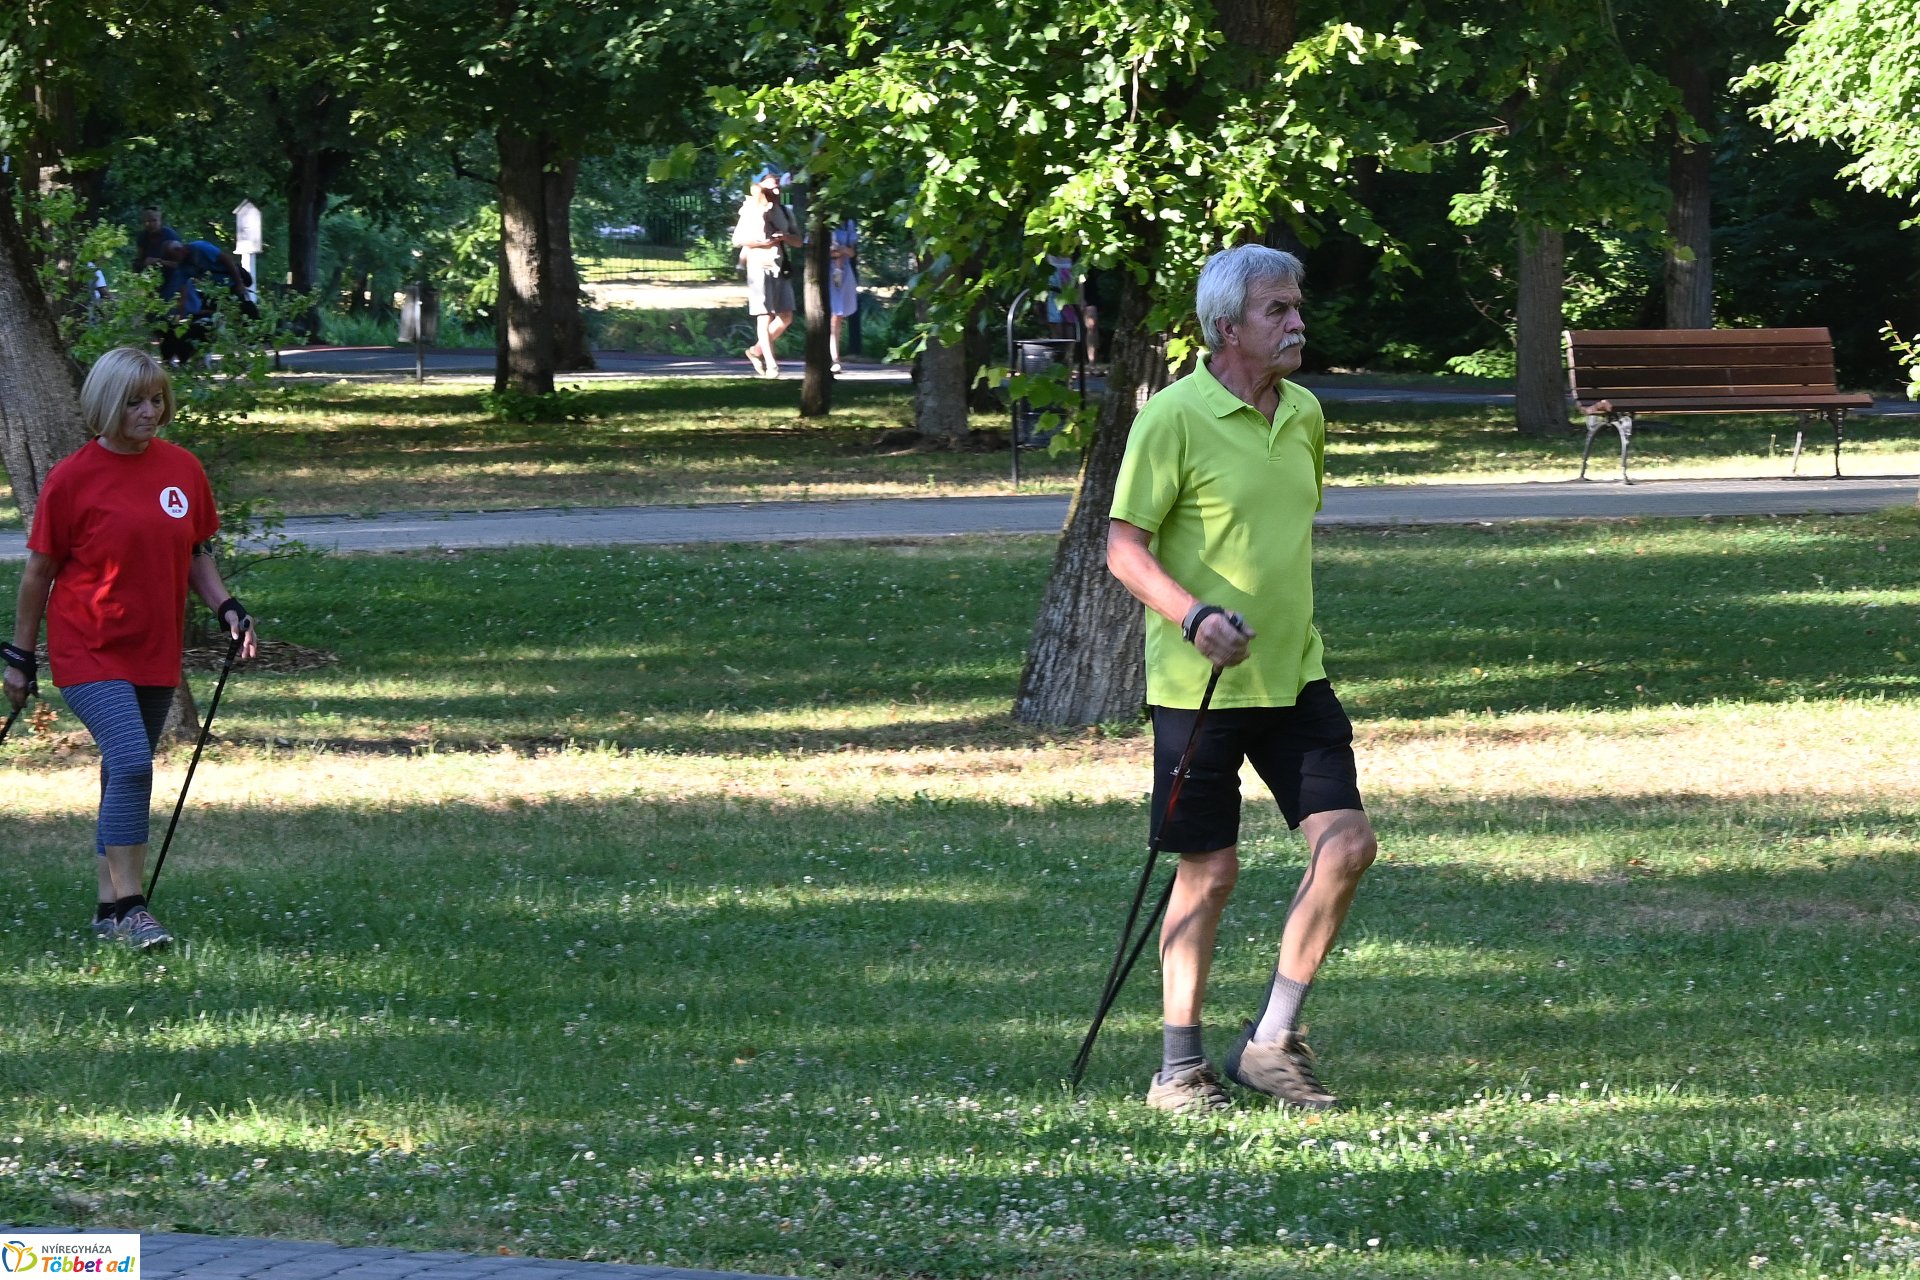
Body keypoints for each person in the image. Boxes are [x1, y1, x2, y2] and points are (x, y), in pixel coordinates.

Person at [1106, 244, 1378, 1115]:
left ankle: (1270, 1044)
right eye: (1278, 311)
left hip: (1295, 677)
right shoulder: (1173, 418)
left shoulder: (1303, 412)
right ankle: (1179, 1071)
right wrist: (1195, 617)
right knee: (1209, 874)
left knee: (1348, 847)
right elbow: (1122, 549)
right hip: (1200, 687)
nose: (1298, 323)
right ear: (1228, 328)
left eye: (1297, 307)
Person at [3, 348, 259, 950]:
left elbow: (197, 553)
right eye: (136, 402)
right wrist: (19, 655)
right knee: (134, 761)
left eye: (158, 400)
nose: (151, 412)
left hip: (154, 646)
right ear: (106, 406)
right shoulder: (73, 478)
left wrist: (226, 606)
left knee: (124, 772)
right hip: (88, 646)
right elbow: (38, 573)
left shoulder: (183, 470)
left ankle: (103, 908)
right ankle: (132, 909)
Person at [731, 170, 798, 378]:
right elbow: (738, 239)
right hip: (758, 265)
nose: (776, 190)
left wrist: (785, 237)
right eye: (772, 186)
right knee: (764, 315)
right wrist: (762, 243)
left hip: (780, 266)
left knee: (786, 317)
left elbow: (798, 241)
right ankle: (771, 365)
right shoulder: (751, 210)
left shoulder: (786, 211)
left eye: (778, 186)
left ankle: (756, 351)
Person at [828, 219, 859, 374]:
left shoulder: (848, 223)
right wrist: (840, 251)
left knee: (838, 316)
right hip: (826, 272)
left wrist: (840, 251)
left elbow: (851, 252)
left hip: (843, 272)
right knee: (831, 315)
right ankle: (832, 358)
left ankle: (835, 358)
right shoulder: (821, 221)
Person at [131, 207, 180, 273]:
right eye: (147, 221)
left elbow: (180, 265)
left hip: (171, 275)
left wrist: (158, 261)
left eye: (154, 220)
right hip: (151, 275)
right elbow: (141, 259)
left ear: (160, 220)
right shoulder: (142, 237)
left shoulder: (171, 236)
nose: (151, 224)